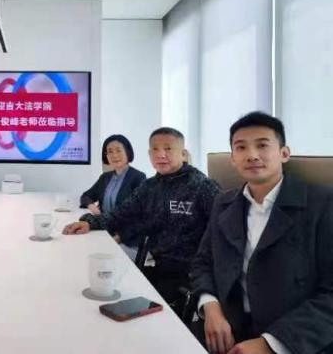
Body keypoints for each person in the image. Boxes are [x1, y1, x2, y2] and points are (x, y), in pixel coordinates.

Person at [191, 112, 333, 354]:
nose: (252, 155)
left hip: (296, 337)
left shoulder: (322, 204)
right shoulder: (223, 203)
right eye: (241, 147)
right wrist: (211, 307)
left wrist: (270, 344)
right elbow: (203, 263)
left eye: (262, 145)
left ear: (284, 153)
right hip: (228, 329)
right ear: (233, 159)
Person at [63, 127, 220, 307]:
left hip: (190, 274)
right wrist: (90, 223)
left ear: (183, 154)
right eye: (155, 149)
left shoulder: (202, 186)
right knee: (106, 289)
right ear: (149, 154)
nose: (161, 154)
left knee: (131, 302)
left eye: (168, 148)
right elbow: (121, 213)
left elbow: (222, 233)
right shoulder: (150, 186)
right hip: (158, 266)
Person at [80, 134, 146, 217]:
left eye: (118, 150)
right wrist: (91, 206)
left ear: (127, 152)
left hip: (124, 224)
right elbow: (86, 196)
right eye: (110, 152)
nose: (114, 155)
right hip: (102, 222)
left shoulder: (138, 177)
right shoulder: (105, 177)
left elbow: (136, 210)